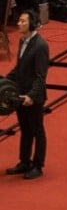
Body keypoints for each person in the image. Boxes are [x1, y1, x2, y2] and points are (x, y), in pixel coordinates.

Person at [5, 10, 48, 180]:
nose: (18, 24)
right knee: (25, 129)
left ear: (32, 23)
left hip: (34, 97)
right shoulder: (23, 41)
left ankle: (38, 165)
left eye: (22, 21)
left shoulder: (40, 46)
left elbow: (40, 76)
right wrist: (5, 80)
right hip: (20, 94)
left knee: (38, 131)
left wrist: (31, 95)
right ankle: (24, 161)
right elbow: (19, 68)